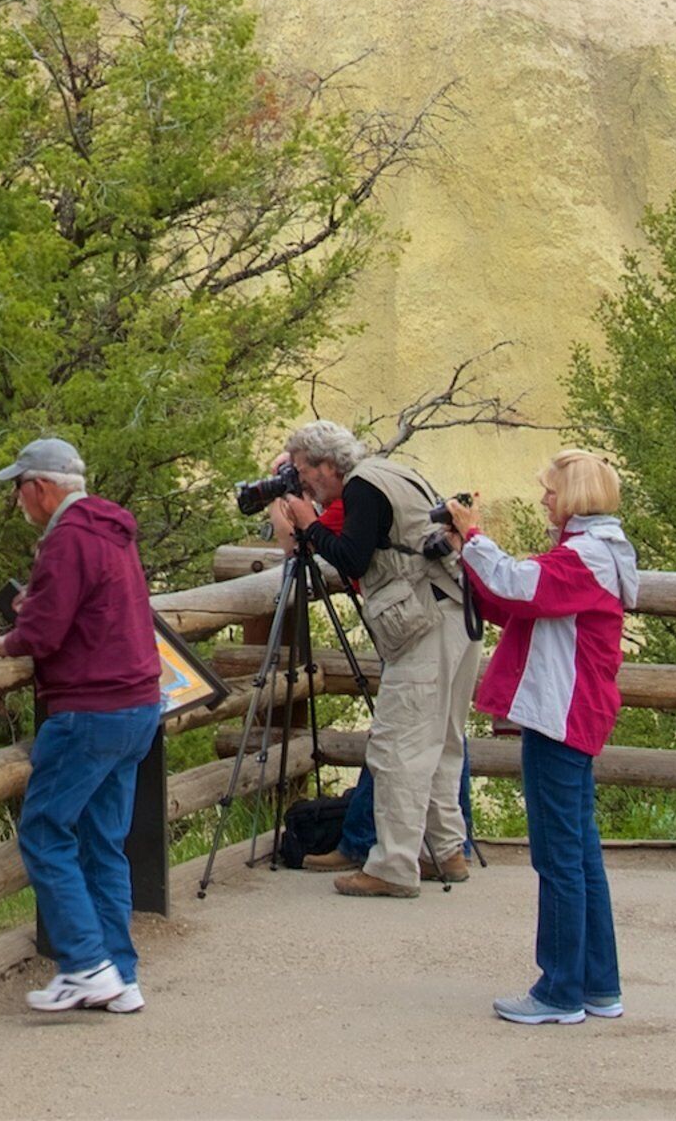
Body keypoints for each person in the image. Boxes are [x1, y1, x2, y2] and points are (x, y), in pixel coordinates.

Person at [0, 436, 162, 1013]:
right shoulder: (110, 530)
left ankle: (84, 963)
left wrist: (0, 642)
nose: (19, 503)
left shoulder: (67, 538)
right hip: (137, 705)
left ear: (42, 487)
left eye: (20, 490)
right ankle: (119, 974)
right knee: (104, 842)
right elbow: (85, 609)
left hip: (88, 710)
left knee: (45, 832)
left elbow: (43, 636)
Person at [452, 446, 641, 1028]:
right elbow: (520, 600)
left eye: (551, 491)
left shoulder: (585, 557)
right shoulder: (595, 553)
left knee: (559, 856)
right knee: (580, 854)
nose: (543, 500)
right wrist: (468, 558)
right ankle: (597, 984)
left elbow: (520, 583)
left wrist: (472, 536)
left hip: (561, 715)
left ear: (575, 497)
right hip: (573, 714)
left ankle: (560, 991)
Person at [261, 418, 477, 897]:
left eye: (301, 471)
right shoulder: (393, 473)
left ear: (323, 465)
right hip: (457, 614)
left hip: (424, 625)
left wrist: (307, 523)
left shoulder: (361, 487)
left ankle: (393, 867)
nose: (301, 483)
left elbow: (351, 558)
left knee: (398, 747)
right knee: (442, 741)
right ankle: (447, 852)